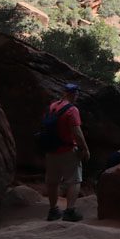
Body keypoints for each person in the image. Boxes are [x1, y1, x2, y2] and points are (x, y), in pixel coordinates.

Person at [45, 83, 89, 222]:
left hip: (51, 150)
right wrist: (85, 148)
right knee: (74, 180)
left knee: (53, 181)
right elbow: (77, 132)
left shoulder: (52, 107)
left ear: (64, 93)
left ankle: (53, 211)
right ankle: (69, 211)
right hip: (68, 150)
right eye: (76, 94)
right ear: (74, 94)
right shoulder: (72, 110)